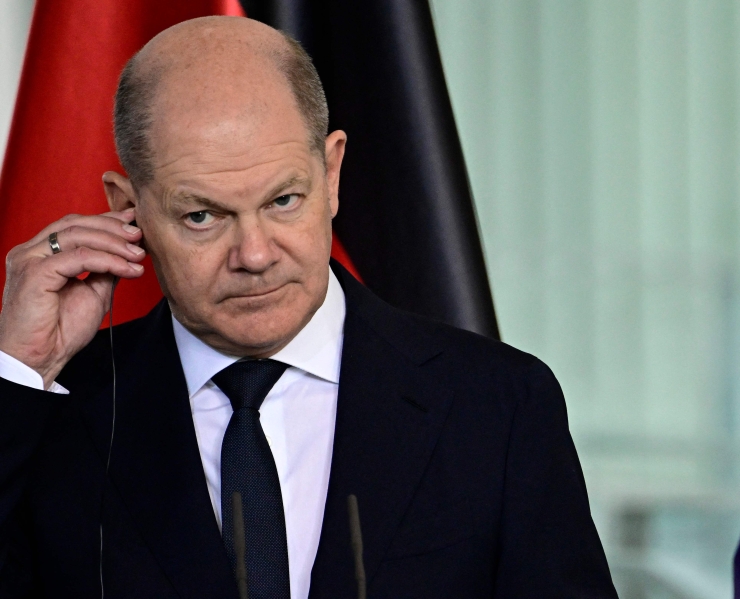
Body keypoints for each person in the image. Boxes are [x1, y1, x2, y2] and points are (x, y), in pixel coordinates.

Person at [0, 16, 616, 599]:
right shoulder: (52, 413)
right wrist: (17, 368)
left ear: (333, 172)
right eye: (202, 216)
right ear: (125, 206)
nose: (255, 254)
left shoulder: (497, 403)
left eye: (284, 200)